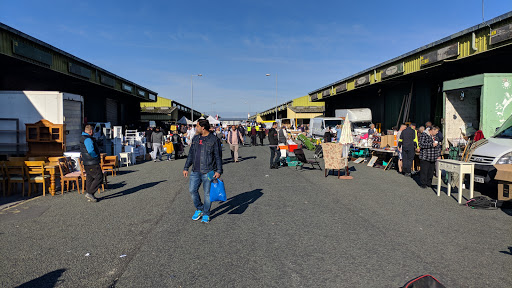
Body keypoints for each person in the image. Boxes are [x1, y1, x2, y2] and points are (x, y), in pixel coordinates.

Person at [183, 119, 223, 223]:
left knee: (207, 194)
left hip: (208, 170)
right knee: (192, 190)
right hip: (195, 170)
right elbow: (191, 154)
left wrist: (218, 170)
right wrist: (186, 167)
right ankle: (199, 208)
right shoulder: (195, 138)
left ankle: (206, 213)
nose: (196, 128)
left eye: (197, 126)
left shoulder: (214, 140)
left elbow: (218, 156)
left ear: (203, 127)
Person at [80, 125, 102, 202]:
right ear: (91, 131)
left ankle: (90, 195)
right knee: (99, 177)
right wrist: (95, 156)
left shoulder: (83, 138)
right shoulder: (88, 139)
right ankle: (90, 193)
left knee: (90, 178)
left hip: (86, 162)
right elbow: (90, 150)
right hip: (92, 162)